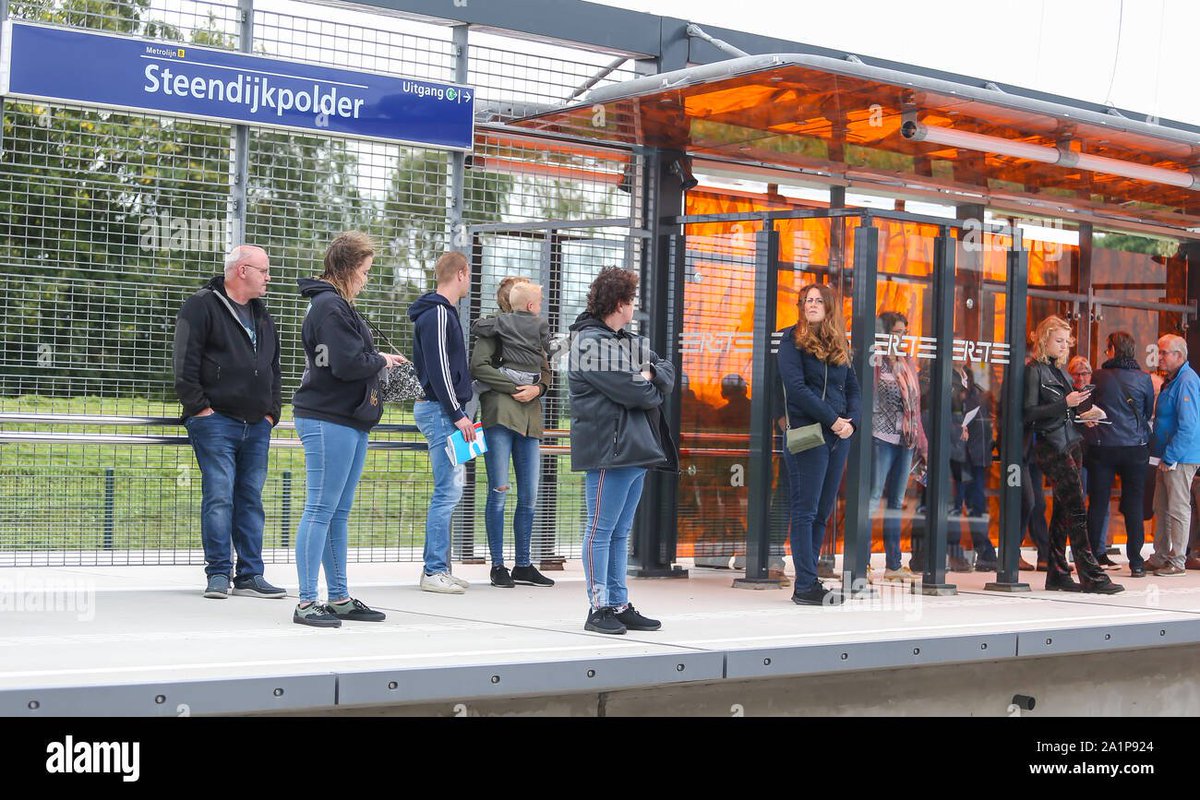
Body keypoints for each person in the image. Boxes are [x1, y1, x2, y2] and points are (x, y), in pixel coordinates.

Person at [290, 232, 407, 627]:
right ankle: (307, 601)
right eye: (365, 271)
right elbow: (346, 364)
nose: (367, 278)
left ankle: (338, 596)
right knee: (321, 508)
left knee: (337, 512)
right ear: (348, 269)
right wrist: (381, 361)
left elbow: (350, 358)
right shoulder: (329, 307)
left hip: (348, 418)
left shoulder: (336, 307)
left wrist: (376, 359)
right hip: (327, 417)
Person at [173, 245, 286, 600]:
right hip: (215, 421)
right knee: (220, 496)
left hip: (257, 423)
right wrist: (200, 408)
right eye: (264, 270)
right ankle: (219, 573)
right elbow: (184, 360)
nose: (269, 277)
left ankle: (251, 574)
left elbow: (274, 368)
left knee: (250, 497)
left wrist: (272, 412)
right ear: (241, 271)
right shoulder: (202, 305)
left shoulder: (262, 314)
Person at [568, 266, 676, 634]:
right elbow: (639, 392)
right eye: (632, 301)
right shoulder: (589, 343)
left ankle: (618, 602)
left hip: (635, 449)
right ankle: (598, 608)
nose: (636, 307)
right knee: (601, 530)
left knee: (618, 531)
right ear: (619, 303)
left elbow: (668, 369)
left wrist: (650, 375)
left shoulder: (625, 340)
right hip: (609, 451)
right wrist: (647, 379)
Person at [1023, 315, 1122, 593]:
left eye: (1067, 341)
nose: (1064, 346)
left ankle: (1057, 573)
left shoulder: (1063, 373)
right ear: (1044, 339)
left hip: (1071, 441)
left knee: (1065, 510)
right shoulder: (1035, 371)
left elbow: (1063, 410)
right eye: (1059, 340)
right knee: (1076, 508)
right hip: (1051, 444)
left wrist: (1083, 414)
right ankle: (1090, 575)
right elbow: (1029, 413)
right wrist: (1065, 404)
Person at [470, 279, 556, 589]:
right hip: (500, 416)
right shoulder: (494, 330)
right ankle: (497, 565)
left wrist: (538, 388)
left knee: (529, 496)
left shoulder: (534, 330)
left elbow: (546, 368)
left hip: (530, 419)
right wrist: (514, 387)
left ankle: (523, 564)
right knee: (499, 492)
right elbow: (478, 367)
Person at [778, 282, 860, 606]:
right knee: (805, 511)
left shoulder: (840, 343)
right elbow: (797, 389)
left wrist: (852, 422)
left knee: (822, 513)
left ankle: (808, 579)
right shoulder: (791, 340)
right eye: (807, 300)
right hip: (807, 434)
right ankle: (805, 585)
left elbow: (853, 387)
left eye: (817, 301)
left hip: (839, 437)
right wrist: (833, 420)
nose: (811, 304)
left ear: (829, 307)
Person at [410, 251, 476, 594]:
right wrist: (457, 413)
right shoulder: (436, 313)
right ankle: (433, 569)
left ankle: (440, 568)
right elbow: (438, 369)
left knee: (452, 488)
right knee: (447, 490)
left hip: (445, 411)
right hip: (441, 412)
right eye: (469, 274)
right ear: (461, 273)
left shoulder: (443, 312)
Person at [1082, 331, 1154, 577]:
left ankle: (1092, 559)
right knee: (1134, 504)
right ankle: (1136, 562)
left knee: (1098, 503)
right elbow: (1146, 412)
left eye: (1107, 348)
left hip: (1103, 447)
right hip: (1135, 448)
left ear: (1113, 349)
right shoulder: (1144, 379)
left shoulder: (1099, 376)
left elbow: (1087, 407)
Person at [869, 311, 925, 582]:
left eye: (904, 332)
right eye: (896, 332)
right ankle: (862, 562)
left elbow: (915, 406)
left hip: (905, 441)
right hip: (879, 437)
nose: (901, 337)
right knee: (872, 499)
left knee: (896, 502)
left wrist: (921, 442)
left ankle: (893, 564)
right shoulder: (875, 360)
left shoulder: (906, 362)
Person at [1147, 334, 1200, 578]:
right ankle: (1160, 556)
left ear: (1179, 355)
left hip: (1179, 457)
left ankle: (1177, 560)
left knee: (1177, 508)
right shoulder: (1173, 380)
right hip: (1165, 456)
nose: (1159, 357)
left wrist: (1171, 456)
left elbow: (1189, 425)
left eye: (1163, 352)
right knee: (1162, 506)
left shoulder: (1186, 381)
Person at [949, 362, 1000, 572]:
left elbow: (984, 421)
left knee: (977, 505)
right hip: (957, 455)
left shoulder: (975, 386)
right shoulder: (945, 379)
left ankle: (985, 554)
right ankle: (955, 554)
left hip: (975, 456)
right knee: (954, 504)